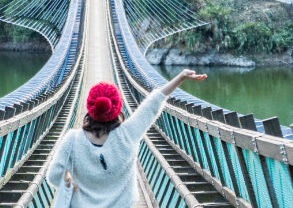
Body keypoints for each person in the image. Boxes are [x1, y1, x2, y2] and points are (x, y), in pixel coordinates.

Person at [47, 69, 207, 208]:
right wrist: (181, 77)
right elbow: (152, 104)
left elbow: (54, 175)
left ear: (90, 107)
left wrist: (72, 182)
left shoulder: (72, 140)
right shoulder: (128, 133)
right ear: (117, 108)